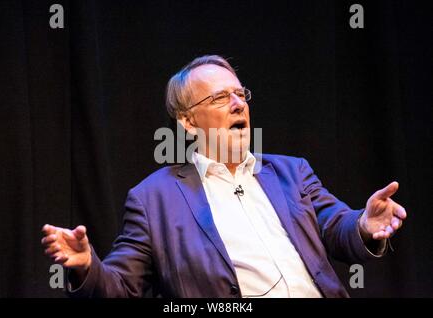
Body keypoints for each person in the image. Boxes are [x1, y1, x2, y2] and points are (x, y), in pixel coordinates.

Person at [41, 55, 407, 298]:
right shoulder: (154, 199)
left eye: (240, 93)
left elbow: (335, 227)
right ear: (187, 122)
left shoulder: (291, 172)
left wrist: (363, 223)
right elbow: (121, 287)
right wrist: (88, 266)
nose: (238, 103)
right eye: (219, 98)